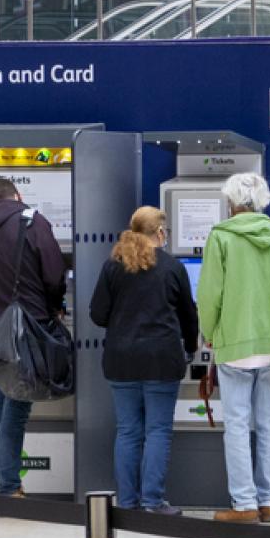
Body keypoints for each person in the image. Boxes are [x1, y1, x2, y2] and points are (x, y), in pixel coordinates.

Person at [198, 173, 270, 524]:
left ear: (231, 203)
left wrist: (209, 332)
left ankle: (243, 504)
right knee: (269, 424)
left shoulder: (221, 237)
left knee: (238, 425)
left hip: (235, 344)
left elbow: (210, 294)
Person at [88, 207, 195, 514]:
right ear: (160, 233)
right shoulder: (173, 267)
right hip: (162, 359)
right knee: (158, 430)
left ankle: (127, 502)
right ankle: (152, 502)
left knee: (127, 431)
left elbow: (97, 314)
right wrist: (189, 347)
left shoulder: (113, 266)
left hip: (121, 360)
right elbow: (189, 316)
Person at [0, 178, 65, 497]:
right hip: (26, 326)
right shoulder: (32, 221)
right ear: (17, 195)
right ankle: (9, 486)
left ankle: (1, 481)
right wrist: (55, 306)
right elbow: (54, 274)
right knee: (18, 404)